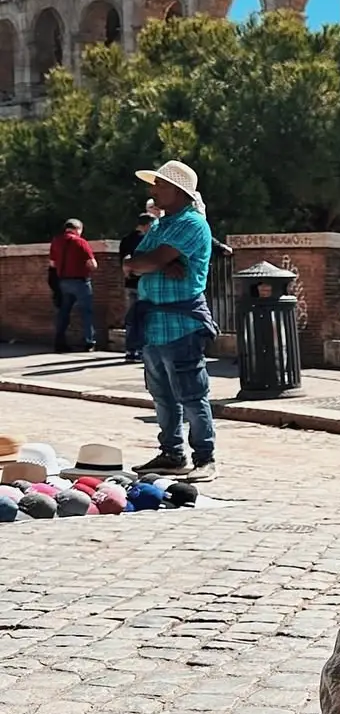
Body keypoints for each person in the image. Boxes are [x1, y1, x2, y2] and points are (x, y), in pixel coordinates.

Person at [123, 160, 219, 482]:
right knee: (162, 395)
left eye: (160, 185)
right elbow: (132, 263)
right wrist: (158, 264)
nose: (154, 191)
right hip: (153, 325)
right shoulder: (161, 226)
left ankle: (205, 458)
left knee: (192, 394)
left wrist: (153, 263)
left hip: (181, 325)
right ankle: (172, 454)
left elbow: (147, 260)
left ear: (179, 191)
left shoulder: (192, 224)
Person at [50, 218, 98, 352]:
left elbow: (52, 264)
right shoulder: (81, 242)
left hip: (63, 281)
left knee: (64, 312)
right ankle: (89, 341)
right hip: (80, 281)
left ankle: (59, 341)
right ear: (78, 229)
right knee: (86, 312)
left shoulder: (56, 241)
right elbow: (93, 264)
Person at [120, 211, 157, 363]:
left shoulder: (126, 240)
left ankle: (130, 350)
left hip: (129, 282)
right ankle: (141, 349)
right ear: (148, 225)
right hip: (144, 283)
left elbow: (124, 260)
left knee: (131, 318)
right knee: (144, 318)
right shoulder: (147, 240)